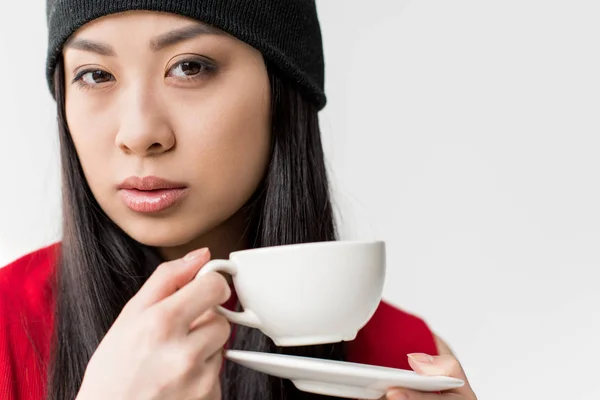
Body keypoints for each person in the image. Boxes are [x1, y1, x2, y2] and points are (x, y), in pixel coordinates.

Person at [0, 1, 477, 399]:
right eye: (95, 75)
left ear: (283, 88)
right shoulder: (7, 327)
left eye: (189, 67)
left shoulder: (404, 365)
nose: (139, 133)